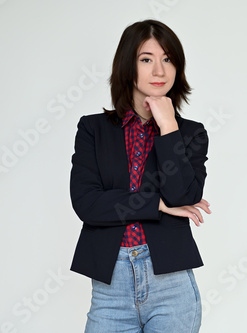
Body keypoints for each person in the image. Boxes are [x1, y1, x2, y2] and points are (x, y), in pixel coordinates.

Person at [69, 19, 211, 333]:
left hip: (171, 286)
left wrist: (168, 125)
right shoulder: (93, 129)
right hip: (111, 285)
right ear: (127, 66)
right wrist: (157, 205)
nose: (159, 70)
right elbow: (87, 204)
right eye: (146, 59)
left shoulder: (191, 134)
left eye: (168, 59)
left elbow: (183, 197)